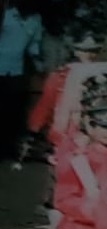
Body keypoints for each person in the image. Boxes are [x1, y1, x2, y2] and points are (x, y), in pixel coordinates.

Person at [0, 0, 43, 159]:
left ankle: (8, 148)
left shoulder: (35, 19)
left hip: (17, 72)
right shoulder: (6, 15)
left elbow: (34, 46)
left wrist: (40, 67)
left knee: (13, 111)